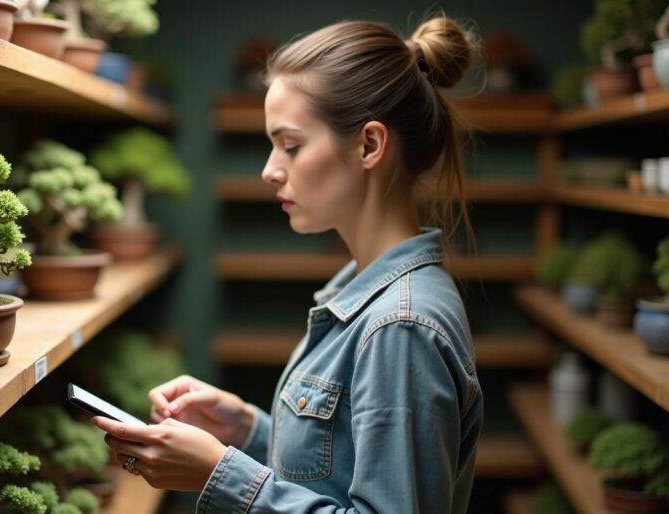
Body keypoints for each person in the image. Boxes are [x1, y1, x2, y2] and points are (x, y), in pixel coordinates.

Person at [92, 15, 483, 513]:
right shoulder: (370, 293)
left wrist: (220, 473)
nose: (270, 170)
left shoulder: (400, 326)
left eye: (291, 146)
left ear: (369, 145)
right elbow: (343, 470)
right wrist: (246, 430)